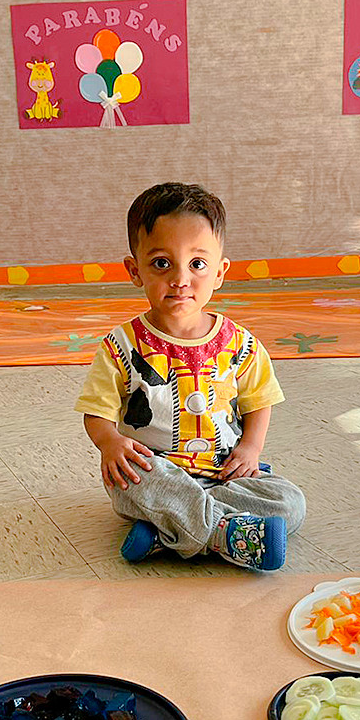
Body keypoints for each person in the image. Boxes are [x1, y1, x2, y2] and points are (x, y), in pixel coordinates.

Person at [75, 182, 306, 571]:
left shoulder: (240, 344)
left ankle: (169, 535)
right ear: (135, 271)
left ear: (219, 271)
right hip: (156, 474)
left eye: (197, 264)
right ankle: (221, 535)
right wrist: (110, 443)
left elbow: (259, 401)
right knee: (130, 486)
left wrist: (250, 448)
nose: (180, 279)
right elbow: (96, 411)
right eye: (162, 263)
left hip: (223, 474)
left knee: (290, 502)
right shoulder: (121, 345)